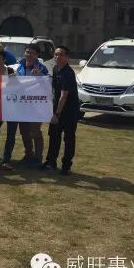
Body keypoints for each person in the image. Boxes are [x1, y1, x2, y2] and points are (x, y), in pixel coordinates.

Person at [42, 46, 80, 175]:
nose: (57, 57)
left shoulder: (68, 73)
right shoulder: (55, 69)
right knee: (53, 136)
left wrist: (57, 114)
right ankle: (51, 162)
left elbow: (63, 96)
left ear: (67, 57)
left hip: (69, 111)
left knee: (68, 138)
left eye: (61, 55)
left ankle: (66, 166)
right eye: (56, 54)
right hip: (57, 108)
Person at [15, 43, 49, 167]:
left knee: (35, 131)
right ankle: (28, 154)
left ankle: (38, 158)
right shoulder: (20, 67)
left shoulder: (42, 68)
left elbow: (47, 86)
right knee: (24, 131)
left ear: (37, 55)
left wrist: (39, 76)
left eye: (32, 53)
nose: (29, 55)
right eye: (27, 52)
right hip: (22, 104)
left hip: (36, 105)